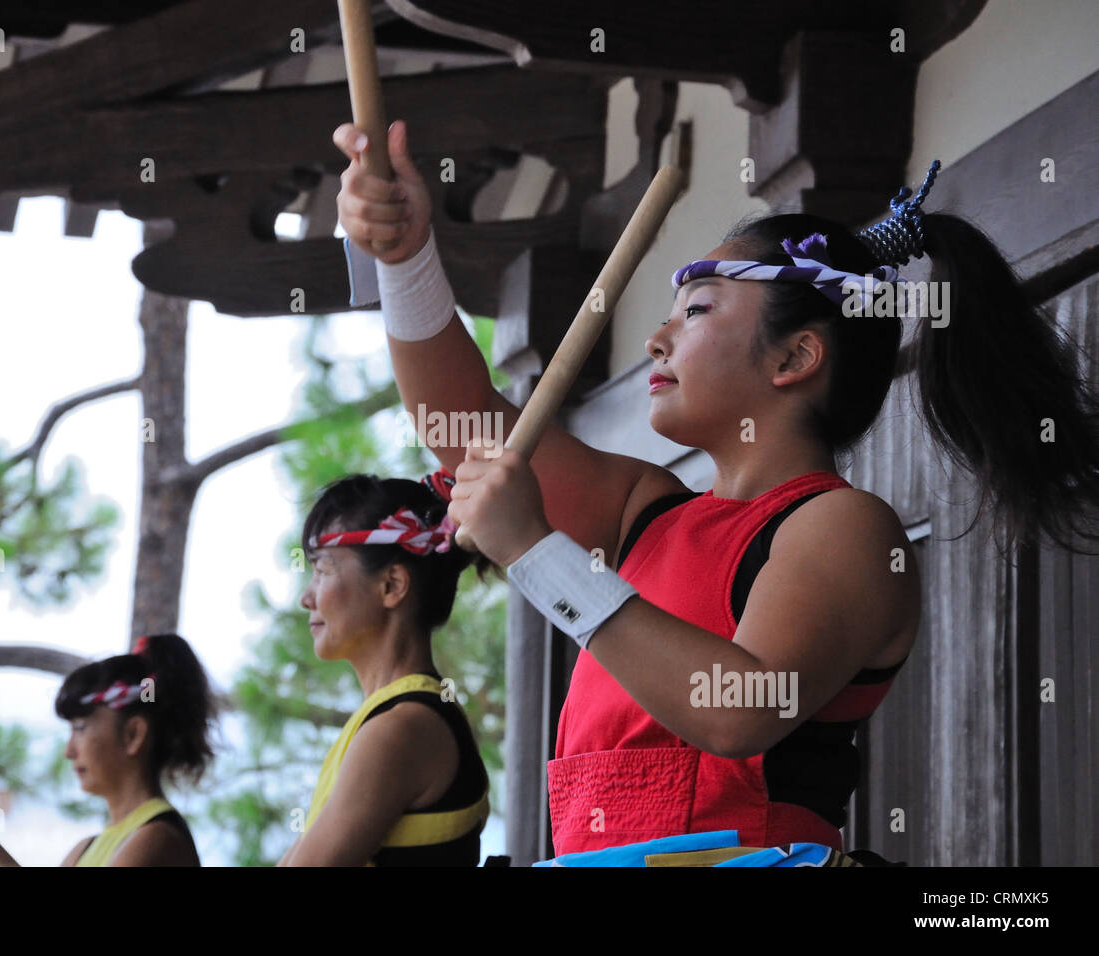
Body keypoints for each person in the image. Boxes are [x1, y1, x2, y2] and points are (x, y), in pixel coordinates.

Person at [332, 119, 1099, 863]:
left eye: (695, 310)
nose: (655, 338)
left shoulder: (844, 527)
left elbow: (738, 710)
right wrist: (402, 260)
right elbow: (466, 426)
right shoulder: (645, 509)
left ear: (795, 356)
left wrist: (538, 553)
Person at [278, 473, 492, 866]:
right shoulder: (395, 719)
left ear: (392, 585)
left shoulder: (402, 728)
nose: (306, 598)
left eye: (323, 571)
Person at [57, 633, 217, 866]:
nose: (69, 752)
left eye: (80, 728)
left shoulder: (156, 839)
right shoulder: (83, 849)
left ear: (133, 735)